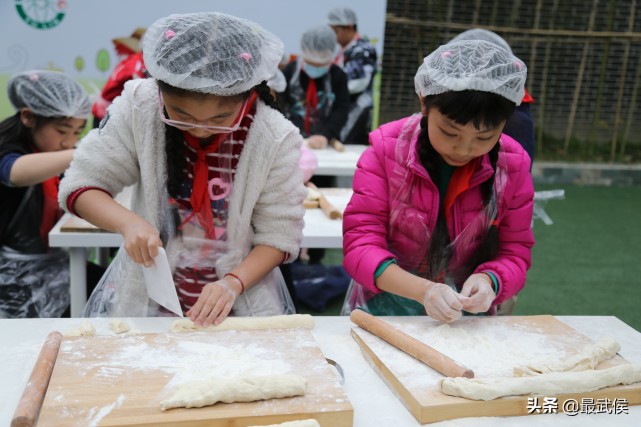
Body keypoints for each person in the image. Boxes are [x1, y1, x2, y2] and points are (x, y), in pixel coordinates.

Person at [58, 12, 307, 326]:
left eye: (219, 119)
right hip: (146, 302)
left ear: (247, 96)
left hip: (239, 307)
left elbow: (280, 236)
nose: (200, 129)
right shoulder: (140, 106)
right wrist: (129, 224)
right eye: (180, 113)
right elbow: (81, 185)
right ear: (160, 89)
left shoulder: (273, 136)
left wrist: (233, 283)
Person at [342, 40, 535, 321]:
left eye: (484, 137)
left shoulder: (512, 165)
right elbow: (360, 244)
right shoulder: (387, 151)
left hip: (466, 314)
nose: (464, 149)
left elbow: (515, 251)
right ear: (424, 103)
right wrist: (424, 291)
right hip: (386, 306)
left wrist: (491, 280)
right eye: (450, 132)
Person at [0, 70, 98, 318]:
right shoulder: (7, 148)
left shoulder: (53, 152)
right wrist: (85, 151)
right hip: (11, 279)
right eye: (62, 130)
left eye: (77, 132)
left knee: (118, 286)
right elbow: (14, 172)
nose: (69, 141)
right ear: (28, 117)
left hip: (49, 266)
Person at [450, 29, 535, 163]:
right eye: (449, 133)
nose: (462, 151)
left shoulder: (515, 118)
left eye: (483, 137)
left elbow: (519, 167)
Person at [281, 24, 349, 150]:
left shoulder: (338, 76)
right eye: (311, 62)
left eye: (321, 64)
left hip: (326, 143)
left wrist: (325, 135)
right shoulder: (290, 72)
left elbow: (342, 109)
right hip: (290, 140)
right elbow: (278, 105)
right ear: (304, 53)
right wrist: (289, 133)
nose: (316, 67)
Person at [328, 7, 378, 145]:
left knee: (349, 149)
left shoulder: (363, 50)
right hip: (342, 108)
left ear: (349, 27)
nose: (333, 35)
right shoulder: (345, 49)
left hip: (356, 111)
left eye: (335, 31)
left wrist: (330, 89)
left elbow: (358, 82)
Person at [91, 27, 147, 128]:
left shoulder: (130, 60)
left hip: (105, 111)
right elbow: (140, 90)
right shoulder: (137, 63)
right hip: (107, 115)